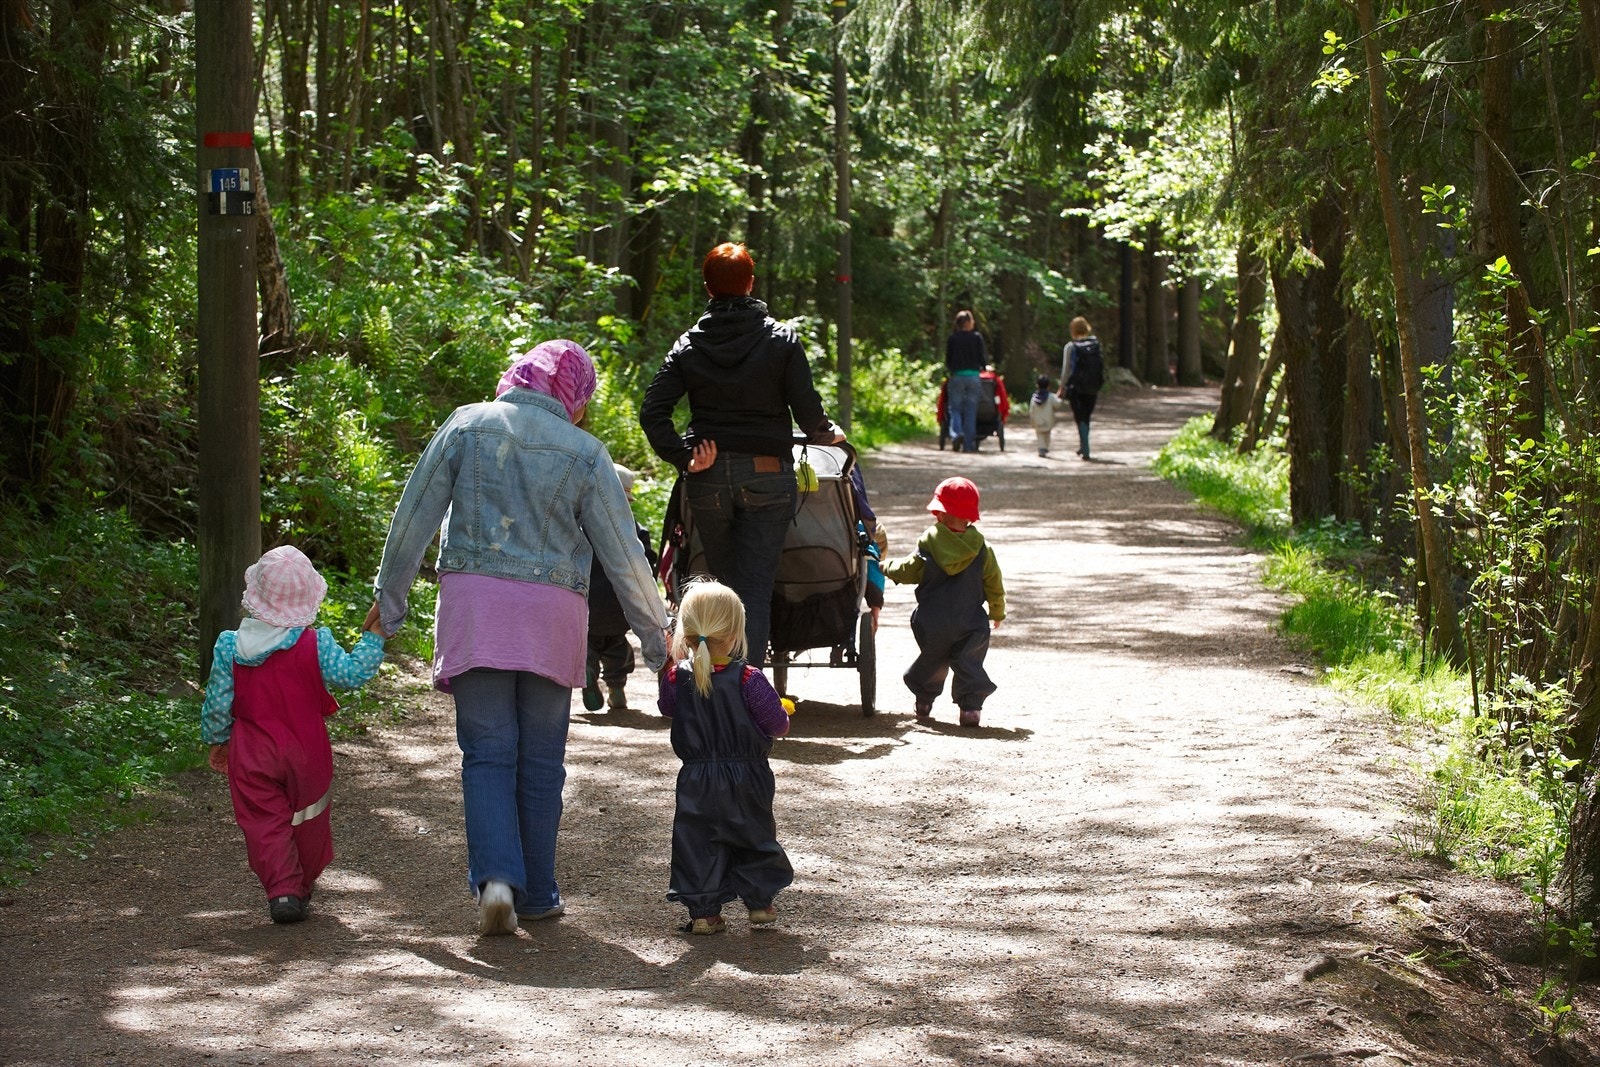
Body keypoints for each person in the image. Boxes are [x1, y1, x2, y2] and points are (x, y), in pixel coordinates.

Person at [368, 339, 669, 936]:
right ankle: (538, 893)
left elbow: (414, 517)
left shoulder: (465, 426)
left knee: (486, 752)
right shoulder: (586, 454)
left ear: (518, 377)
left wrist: (388, 602)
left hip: (476, 608)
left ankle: (497, 881)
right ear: (575, 399)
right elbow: (625, 555)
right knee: (540, 759)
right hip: (552, 617)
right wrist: (658, 642)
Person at [640, 242, 844, 667]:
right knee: (754, 585)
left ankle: (713, 679)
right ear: (751, 283)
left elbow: (652, 411)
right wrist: (827, 434)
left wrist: (683, 455)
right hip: (768, 474)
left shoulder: (689, 345)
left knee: (723, 583)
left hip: (708, 476)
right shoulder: (781, 339)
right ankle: (746, 690)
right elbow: (807, 410)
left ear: (708, 289)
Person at [201, 545, 387, 925]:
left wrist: (218, 739)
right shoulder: (315, 644)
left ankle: (284, 889)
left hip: (251, 752)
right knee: (308, 817)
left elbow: (219, 701)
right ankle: (303, 880)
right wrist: (374, 637)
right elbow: (353, 675)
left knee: (263, 820)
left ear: (255, 596)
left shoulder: (229, 646)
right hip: (307, 750)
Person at [657, 579, 793, 934]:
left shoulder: (675, 677)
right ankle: (760, 903)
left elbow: (668, 709)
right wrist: (780, 711)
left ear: (685, 631)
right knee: (753, 834)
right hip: (747, 775)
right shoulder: (749, 679)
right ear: (734, 633)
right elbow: (778, 726)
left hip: (696, 778)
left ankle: (703, 912)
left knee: (697, 840)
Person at [882, 477, 1006, 728]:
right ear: (971, 516)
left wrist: (886, 566)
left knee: (933, 658)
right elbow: (994, 582)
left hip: (932, 619)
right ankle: (970, 709)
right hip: (970, 620)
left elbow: (907, 571)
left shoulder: (928, 546)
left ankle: (924, 701)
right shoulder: (982, 549)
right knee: (969, 661)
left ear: (938, 513)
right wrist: (997, 611)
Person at [582, 464, 659, 712]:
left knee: (589, 643)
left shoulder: (582, 526)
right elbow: (648, 564)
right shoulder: (636, 530)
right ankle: (616, 688)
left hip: (587, 606)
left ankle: (588, 668)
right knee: (617, 647)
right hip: (620, 607)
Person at [1059, 316, 1104, 460]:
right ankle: (1083, 445)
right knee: (1086, 416)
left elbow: (1066, 370)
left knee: (1080, 417)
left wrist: (1062, 386)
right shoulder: (1095, 344)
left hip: (1077, 388)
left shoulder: (1071, 346)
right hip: (1093, 386)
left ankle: (1086, 448)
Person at [944, 310, 986, 453]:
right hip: (973, 377)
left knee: (955, 408)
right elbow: (982, 358)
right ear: (968, 323)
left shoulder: (952, 338)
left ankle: (956, 433)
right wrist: (985, 368)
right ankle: (968, 445)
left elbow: (948, 360)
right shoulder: (977, 338)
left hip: (957, 376)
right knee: (970, 411)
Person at [1029, 374, 1058, 457]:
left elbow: (1031, 411)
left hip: (1037, 421)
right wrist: (1059, 396)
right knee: (1047, 435)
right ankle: (1045, 447)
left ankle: (1042, 448)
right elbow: (1057, 404)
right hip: (1048, 421)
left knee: (1040, 435)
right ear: (1048, 386)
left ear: (1037, 385)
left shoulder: (1034, 398)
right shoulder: (1051, 397)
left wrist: (1032, 421)